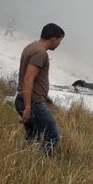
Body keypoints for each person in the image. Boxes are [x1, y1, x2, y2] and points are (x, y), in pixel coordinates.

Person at [14, 23, 65, 156]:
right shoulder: (40, 53)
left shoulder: (31, 47)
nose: (59, 44)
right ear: (54, 39)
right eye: (60, 40)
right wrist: (28, 107)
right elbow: (28, 79)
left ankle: (24, 161)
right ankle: (40, 164)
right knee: (53, 137)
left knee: (32, 137)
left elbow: (32, 79)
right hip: (32, 103)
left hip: (27, 98)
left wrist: (44, 97)